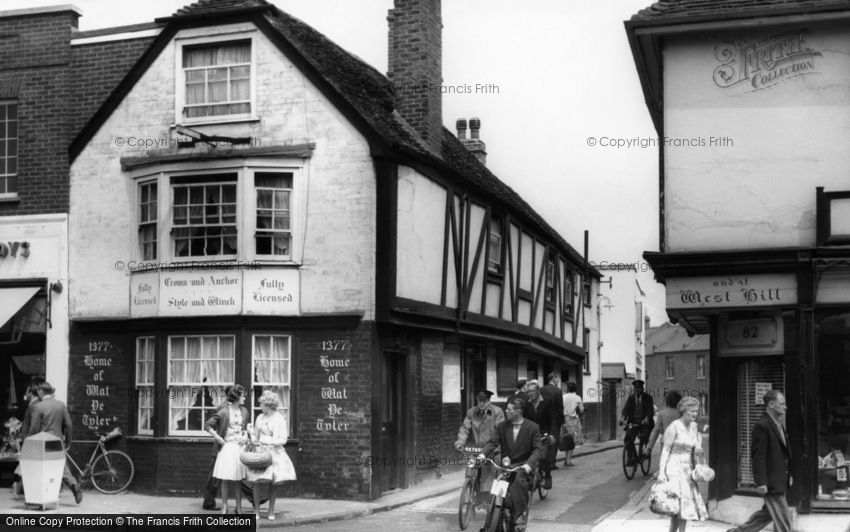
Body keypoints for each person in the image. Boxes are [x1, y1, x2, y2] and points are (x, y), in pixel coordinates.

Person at [727, 390, 792, 532]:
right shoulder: (762, 426)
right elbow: (758, 456)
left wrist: (789, 475)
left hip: (780, 479)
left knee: (766, 514)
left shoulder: (778, 424)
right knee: (784, 520)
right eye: (782, 404)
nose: (785, 407)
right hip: (771, 481)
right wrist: (761, 481)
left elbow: (783, 454)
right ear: (771, 404)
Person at [478, 398, 542, 531]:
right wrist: (483, 454)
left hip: (522, 467)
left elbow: (537, 450)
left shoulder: (533, 427)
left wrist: (529, 465)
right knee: (496, 490)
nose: (506, 411)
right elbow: (492, 443)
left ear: (518, 412)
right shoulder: (502, 426)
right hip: (506, 467)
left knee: (519, 481)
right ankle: (490, 525)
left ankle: (519, 515)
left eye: (509, 409)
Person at [24, 382, 83, 504]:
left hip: (43, 443)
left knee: (40, 469)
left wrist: (28, 443)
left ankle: (36, 497)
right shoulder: (61, 405)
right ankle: (73, 486)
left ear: (41, 391)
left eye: (38, 391)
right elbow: (69, 425)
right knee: (59, 466)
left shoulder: (38, 407)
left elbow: (34, 429)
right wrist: (68, 442)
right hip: (57, 443)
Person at [657, 396, 708, 532]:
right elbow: (666, 450)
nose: (694, 414)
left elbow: (696, 451)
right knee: (679, 507)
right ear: (683, 410)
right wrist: (661, 472)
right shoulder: (674, 426)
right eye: (692, 411)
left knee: (682, 509)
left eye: (696, 411)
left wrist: (698, 457)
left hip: (688, 469)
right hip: (674, 468)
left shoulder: (695, 426)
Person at [248, 390, 296, 521]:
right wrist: (251, 434)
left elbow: (282, 440)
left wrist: (267, 441)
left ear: (268, 404)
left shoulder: (279, 418)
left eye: (262, 404)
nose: (260, 406)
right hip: (260, 452)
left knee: (273, 483)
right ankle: (256, 511)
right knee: (256, 481)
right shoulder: (259, 417)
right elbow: (255, 438)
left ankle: (271, 510)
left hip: (274, 453)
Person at [454, 389, 504, 506]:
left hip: (492, 450)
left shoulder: (497, 412)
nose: (481, 403)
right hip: (477, 449)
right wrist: (460, 442)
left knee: (489, 474)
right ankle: (471, 492)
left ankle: (488, 500)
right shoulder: (471, 412)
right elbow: (465, 429)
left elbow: (500, 431)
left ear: (489, 400)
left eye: (484, 401)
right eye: (479, 400)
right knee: (470, 468)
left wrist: (496, 447)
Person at [206, 384, 249, 515]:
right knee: (225, 479)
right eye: (243, 396)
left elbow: (245, 430)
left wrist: (245, 437)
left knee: (238, 480)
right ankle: (224, 506)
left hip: (239, 448)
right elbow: (208, 425)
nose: (245, 398)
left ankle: (238, 507)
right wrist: (218, 437)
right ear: (236, 397)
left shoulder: (244, 411)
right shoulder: (224, 411)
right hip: (227, 447)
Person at [522, 380, 557, 489]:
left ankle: (547, 475)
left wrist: (552, 434)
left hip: (544, 433)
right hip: (530, 434)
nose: (530, 394)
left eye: (532, 391)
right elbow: (523, 420)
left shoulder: (547, 401)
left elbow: (553, 419)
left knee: (543, 457)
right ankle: (532, 477)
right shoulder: (526, 403)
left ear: (538, 391)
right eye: (528, 392)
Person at [621, 379, 655, 466]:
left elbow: (650, 410)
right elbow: (626, 409)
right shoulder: (631, 398)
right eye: (636, 388)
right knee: (628, 438)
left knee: (645, 436)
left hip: (644, 423)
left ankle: (646, 452)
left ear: (642, 388)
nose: (637, 390)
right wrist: (623, 418)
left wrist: (647, 418)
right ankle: (631, 458)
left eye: (639, 388)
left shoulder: (648, 398)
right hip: (634, 422)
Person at [646, 390, 683, 457]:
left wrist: (649, 448)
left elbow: (655, 432)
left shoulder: (662, 414)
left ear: (667, 401)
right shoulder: (683, 414)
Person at [541, 372, 565, 469]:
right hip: (554, 420)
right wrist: (561, 421)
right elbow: (560, 408)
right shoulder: (558, 391)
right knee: (554, 441)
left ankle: (543, 461)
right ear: (553, 378)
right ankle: (551, 462)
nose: (558, 380)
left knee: (543, 440)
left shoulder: (541, 389)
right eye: (557, 378)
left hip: (542, 419)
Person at [562, 381, 585, 466]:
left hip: (564, 419)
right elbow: (581, 409)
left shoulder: (563, 397)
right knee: (572, 440)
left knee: (566, 439)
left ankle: (566, 459)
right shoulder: (577, 397)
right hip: (573, 420)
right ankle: (568, 461)